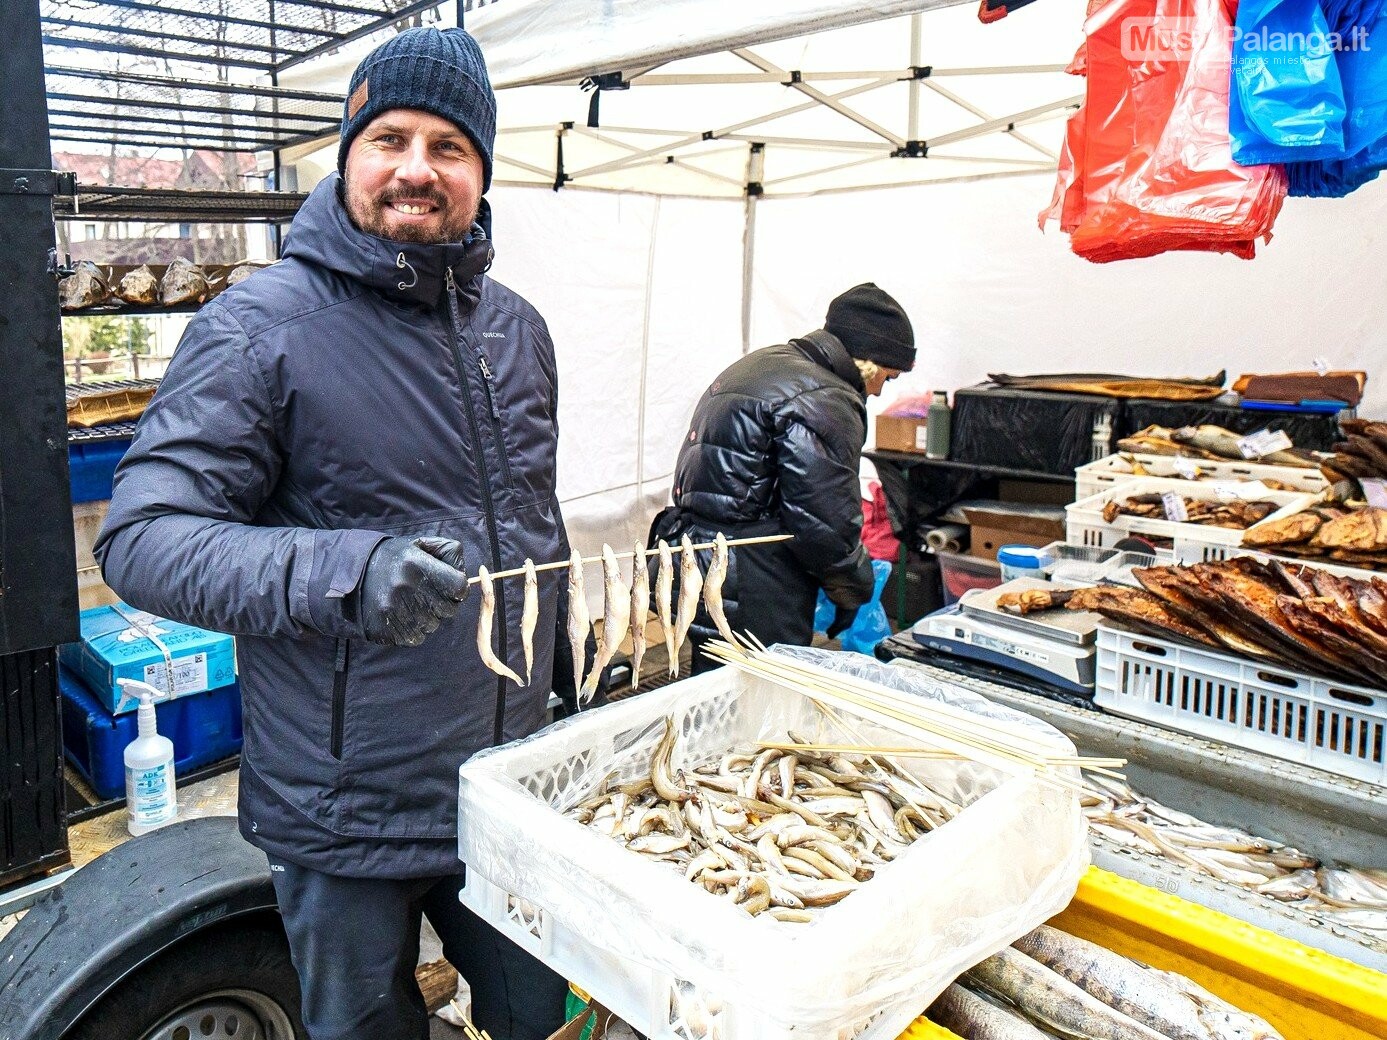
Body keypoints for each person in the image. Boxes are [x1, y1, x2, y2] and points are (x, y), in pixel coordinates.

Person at [95, 26, 573, 1040]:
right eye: (390, 138)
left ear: (483, 170)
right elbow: (142, 536)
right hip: (345, 802)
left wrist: (557, 696)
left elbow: (532, 531)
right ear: (348, 152)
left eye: (449, 146)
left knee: (537, 1010)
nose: (417, 168)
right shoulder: (257, 327)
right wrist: (347, 569)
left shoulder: (519, 329)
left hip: (507, 783)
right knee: (361, 1025)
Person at [651, 283, 916, 670]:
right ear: (868, 362)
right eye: (887, 378)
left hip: (700, 559)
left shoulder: (763, 363)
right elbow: (824, 522)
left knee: (714, 687)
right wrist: (852, 590)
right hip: (757, 580)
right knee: (762, 694)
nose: (877, 392)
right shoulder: (826, 397)